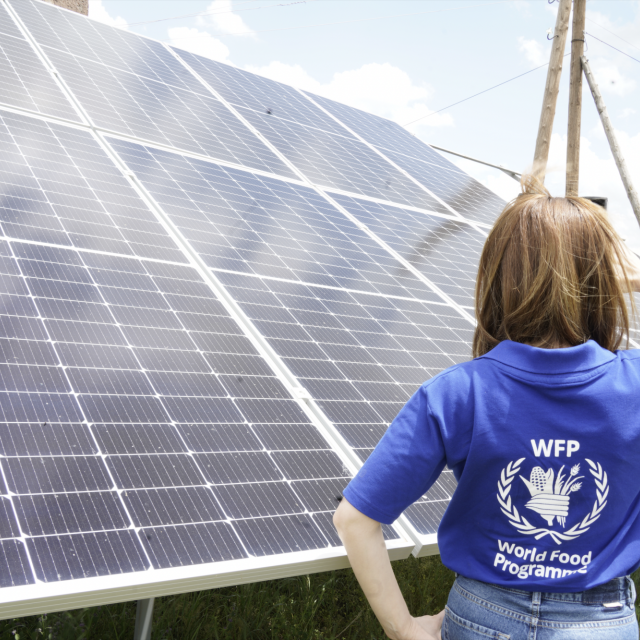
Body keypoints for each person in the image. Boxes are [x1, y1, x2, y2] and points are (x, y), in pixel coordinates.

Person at [333, 176, 640, 640]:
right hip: (600, 620)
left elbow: (355, 519)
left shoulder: (457, 392)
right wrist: (608, 279)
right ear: (600, 281)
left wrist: (403, 629)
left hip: (482, 616)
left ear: (495, 278)